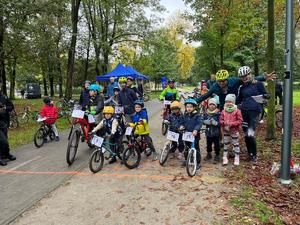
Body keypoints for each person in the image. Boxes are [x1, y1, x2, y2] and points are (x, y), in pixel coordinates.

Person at [196, 69, 276, 110]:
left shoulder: (234, 81)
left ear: (227, 79)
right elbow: (206, 95)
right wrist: (194, 101)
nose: (221, 83)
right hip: (223, 105)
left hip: (235, 104)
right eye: (219, 81)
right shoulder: (215, 86)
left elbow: (248, 79)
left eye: (223, 81)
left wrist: (264, 77)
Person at [236, 66, 269, 163]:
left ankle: (254, 155)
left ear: (250, 74)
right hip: (244, 112)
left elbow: (266, 95)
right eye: (242, 76)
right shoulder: (242, 87)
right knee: (246, 133)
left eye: (246, 75)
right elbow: (239, 99)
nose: (244, 77)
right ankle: (249, 153)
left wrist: (266, 96)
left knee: (250, 133)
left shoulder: (258, 84)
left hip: (255, 112)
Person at [219, 94, 243, 166]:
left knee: (235, 144)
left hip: (234, 131)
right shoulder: (223, 111)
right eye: (227, 101)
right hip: (226, 130)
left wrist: (232, 124)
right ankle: (225, 157)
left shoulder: (237, 111)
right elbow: (220, 120)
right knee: (226, 144)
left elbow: (240, 121)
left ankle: (237, 157)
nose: (229, 103)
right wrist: (224, 123)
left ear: (233, 102)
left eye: (230, 101)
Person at [180, 98, 202, 170]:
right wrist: (182, 126)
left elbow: (199, 123)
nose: (188, 108)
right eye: (187, 107)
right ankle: (187, 159)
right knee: (186, 148)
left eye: (190, 107)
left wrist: (196, 129)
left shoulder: (197, 115)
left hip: (195, 135)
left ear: (194, 107)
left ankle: (198, 163)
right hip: (187, 134)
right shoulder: (185, 115)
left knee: (196, 148)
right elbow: (182, 122)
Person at [203, 98, 221, 163]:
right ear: (208, 105)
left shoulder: (218, 113)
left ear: (216, 106)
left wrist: (216, 123)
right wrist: (206, 122)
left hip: (216, 133)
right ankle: (209, 154)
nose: (212, 106)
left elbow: (220, 122)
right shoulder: (206, 113)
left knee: (217, 145)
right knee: (208, 144)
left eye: (213, 105)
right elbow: (203, 120)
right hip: (208, 133)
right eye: (210, 104)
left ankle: (217, 155)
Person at [0, 90, 16, 166]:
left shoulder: (4, 97)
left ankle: (6, 154)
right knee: (3, 141)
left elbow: (11, 106)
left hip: (4, 122)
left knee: (5, 139)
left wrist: (5, 108)